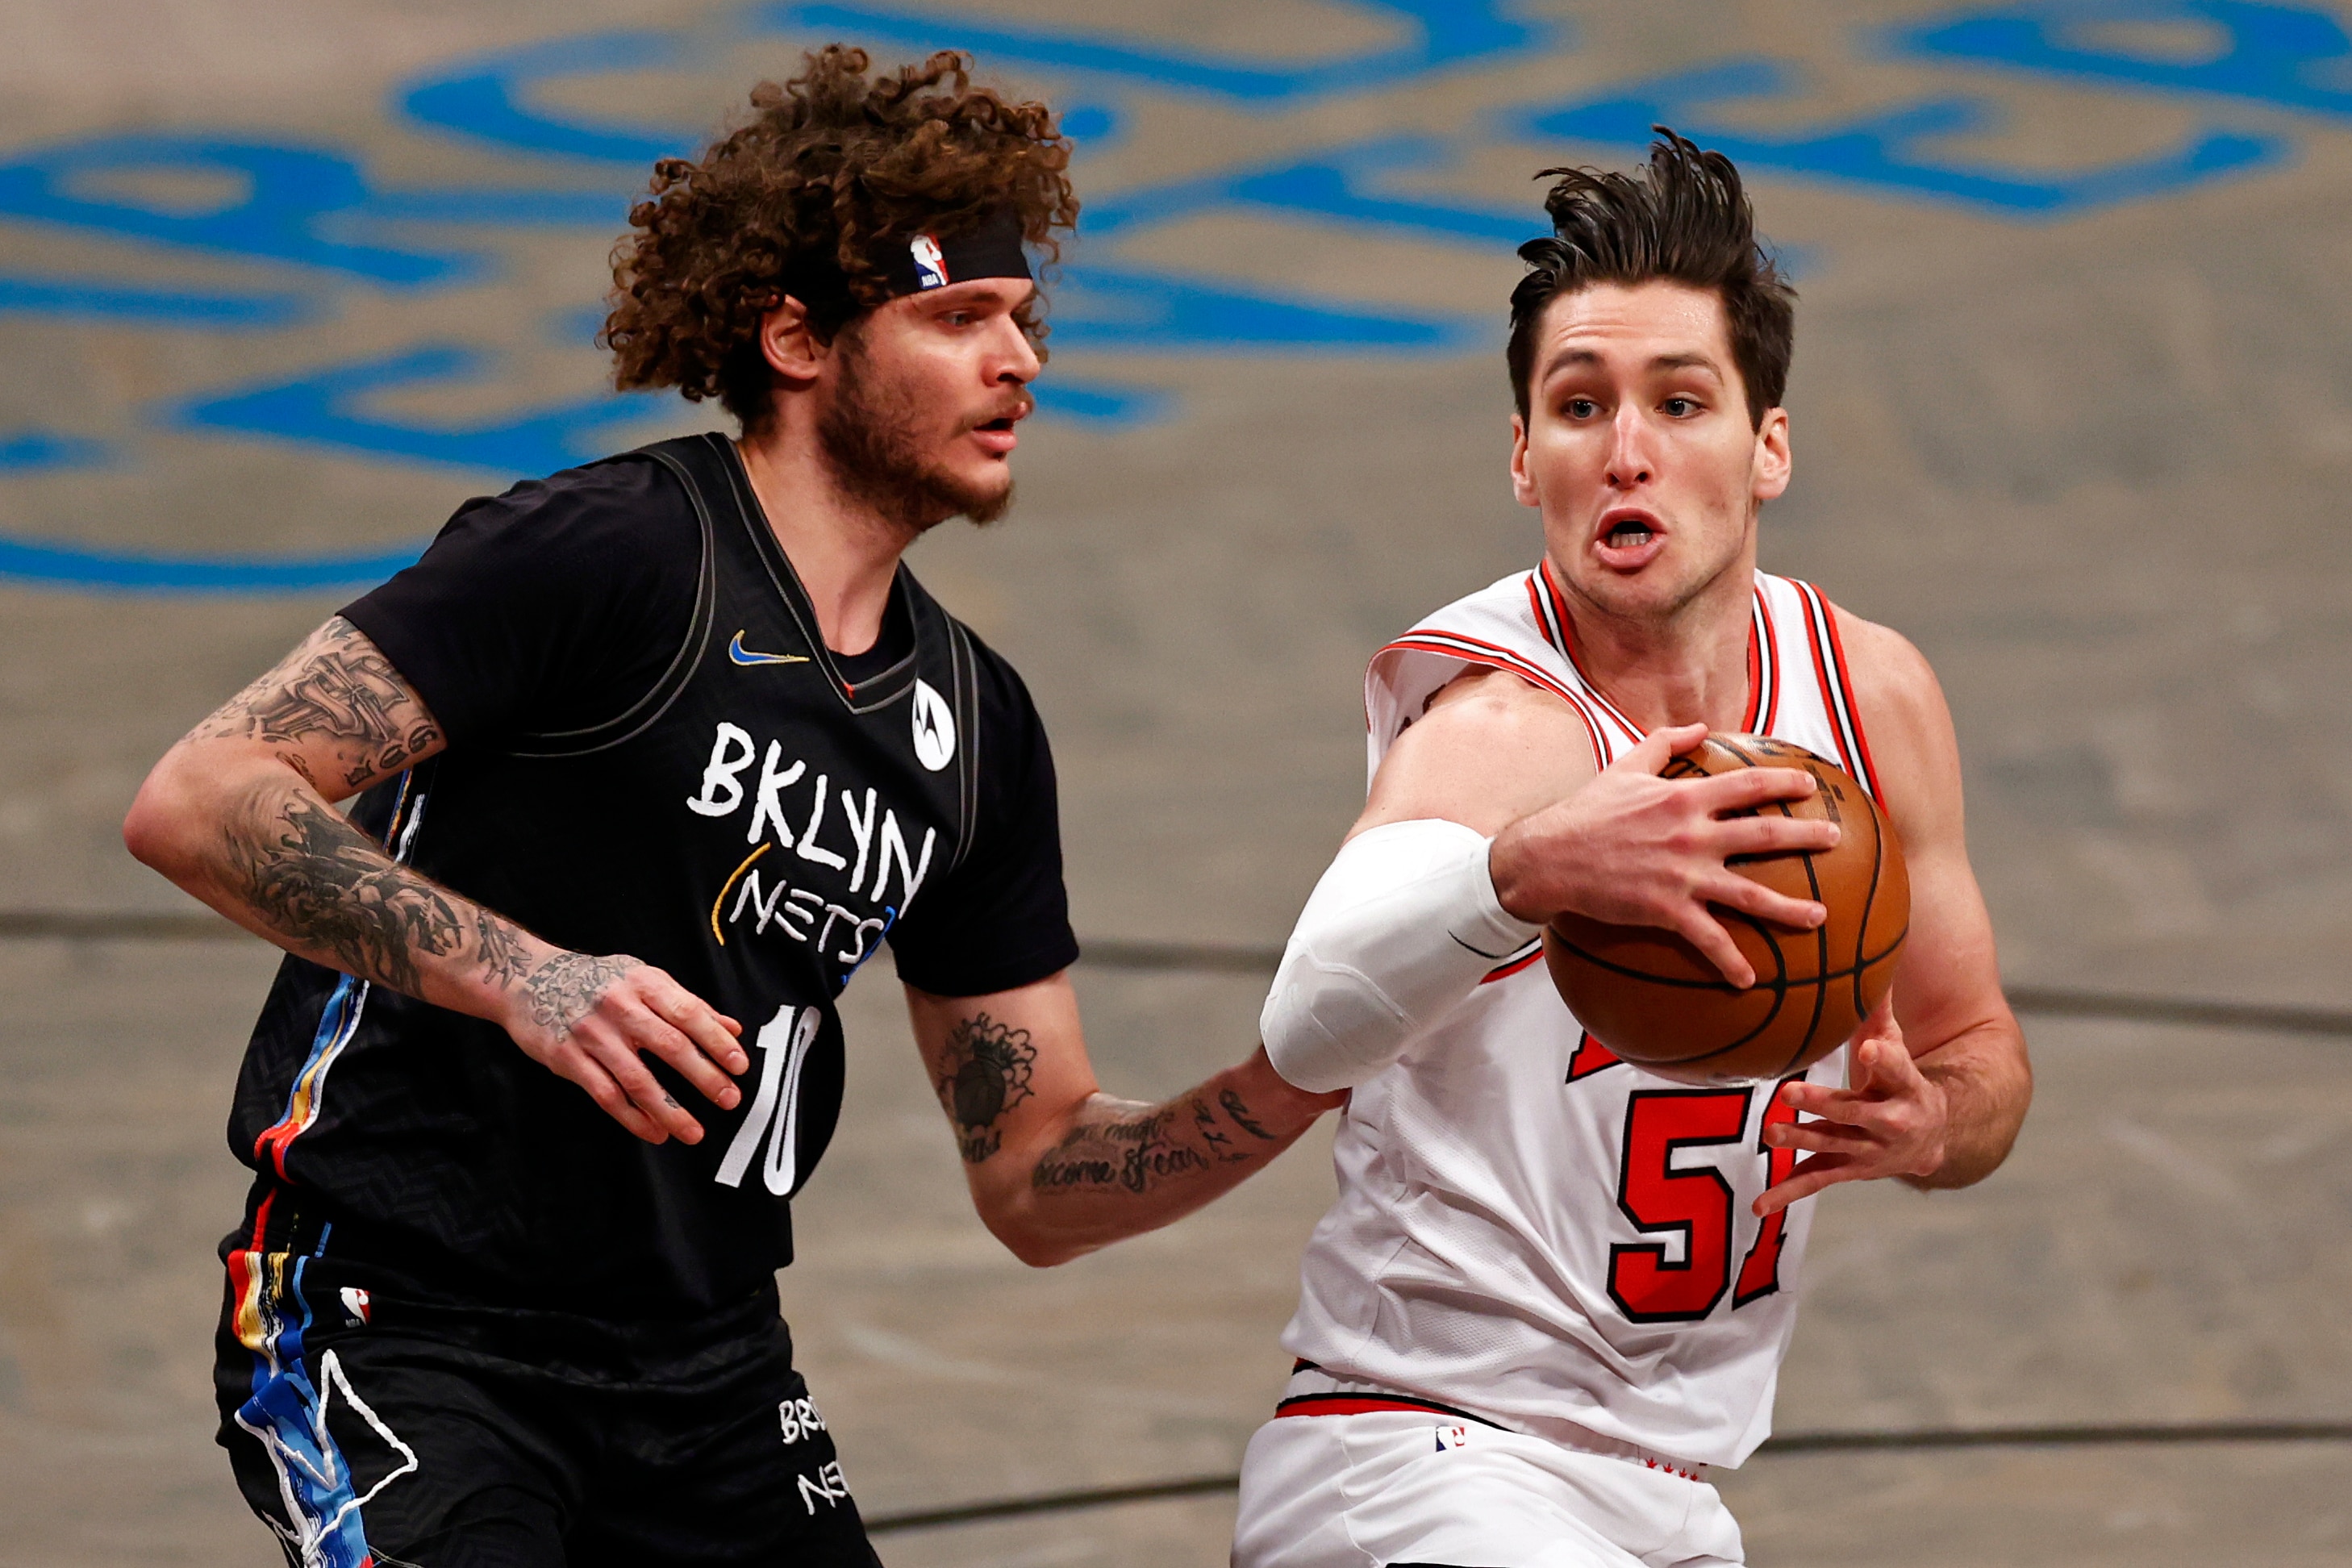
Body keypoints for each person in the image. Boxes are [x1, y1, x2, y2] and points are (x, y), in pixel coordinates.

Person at [123, 48, 1341, 1568]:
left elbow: (1033, 1176)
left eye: (1025, 321)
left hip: (705, 1371)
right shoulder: (612, 555)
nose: (1018, 358)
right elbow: (203, 794)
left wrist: (1300, 1074)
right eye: (958, 317)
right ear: (797, 338)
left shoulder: (978, 734)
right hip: (404, 1321)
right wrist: (533, 981)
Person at [1230, 130, 2033, 1568]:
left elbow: (1980, 1054)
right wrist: (1518, 874)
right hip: (1422, 1452)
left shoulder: (1872, 696)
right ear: (1526, 456)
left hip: (1669, 1488)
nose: (1629, 448)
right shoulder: (1500, 728)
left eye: (1681, 399)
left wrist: (1931, 1129)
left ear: (1767, 446)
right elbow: (1301, 1021)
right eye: (1581, 405)